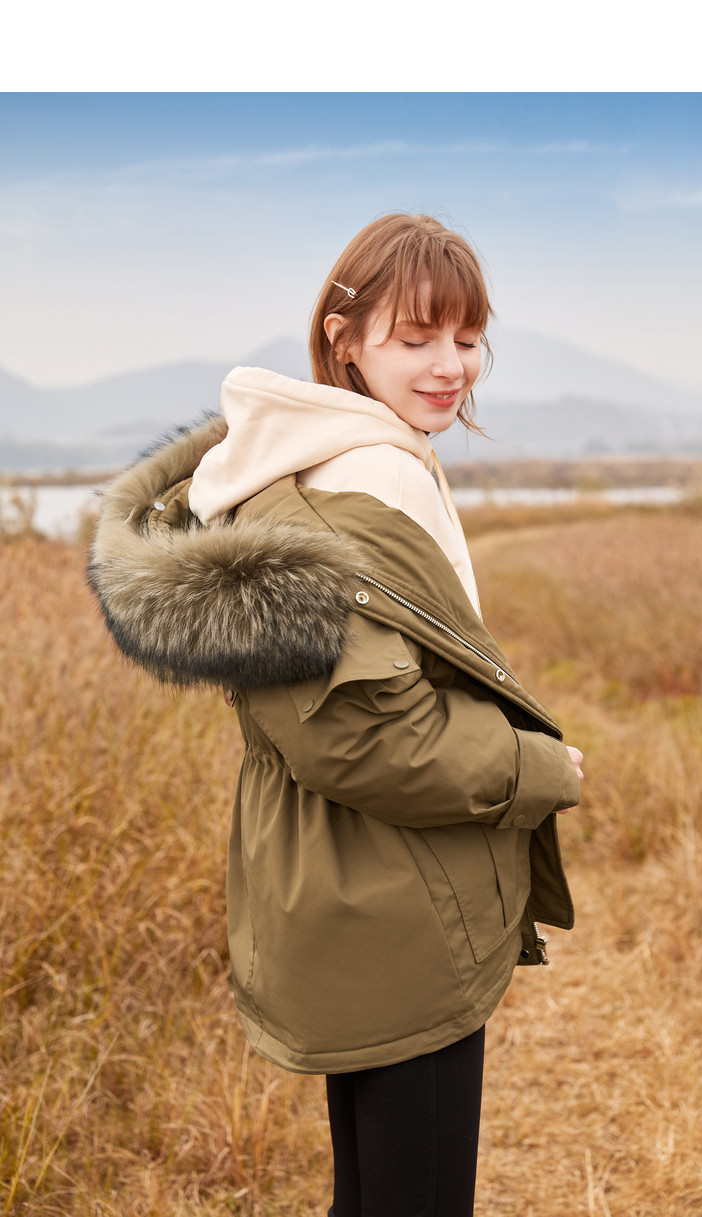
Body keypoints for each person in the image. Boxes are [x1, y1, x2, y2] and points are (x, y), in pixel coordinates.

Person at [88, 212, 584, 1217]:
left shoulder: (305, 460)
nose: (450, 365)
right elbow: (364, 737)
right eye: (416, 337)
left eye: (468, 336)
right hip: (400, 900)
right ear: (343, 337)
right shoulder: (371, 475)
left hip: (348, 888)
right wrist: (541, 767)